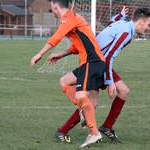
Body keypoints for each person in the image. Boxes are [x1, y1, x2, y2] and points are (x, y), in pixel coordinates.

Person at [48, 7, 150, 143]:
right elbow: (109, 56)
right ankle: (63, 131)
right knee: (90, 102)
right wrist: (109, 82)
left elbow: (110, 24)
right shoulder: (127, 31)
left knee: (123, 91)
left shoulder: (123, 24)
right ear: (141, 21)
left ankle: (106, 127)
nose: (149, 28)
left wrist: (119, 15)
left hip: (99, 62)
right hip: (98, 64)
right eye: (149, 24)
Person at [30, 0, 106, 148]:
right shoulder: (74, 18)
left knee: (80, 96)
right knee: (65, 81)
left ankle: (94, 132)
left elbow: (56, 37)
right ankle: (84, 111)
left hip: (92, 62)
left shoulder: (68, 17)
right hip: (91, 62)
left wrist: (39, 54)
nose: (52, 11)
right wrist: (61, 54)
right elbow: (78, 45)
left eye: (52, 8)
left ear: (55, 6)